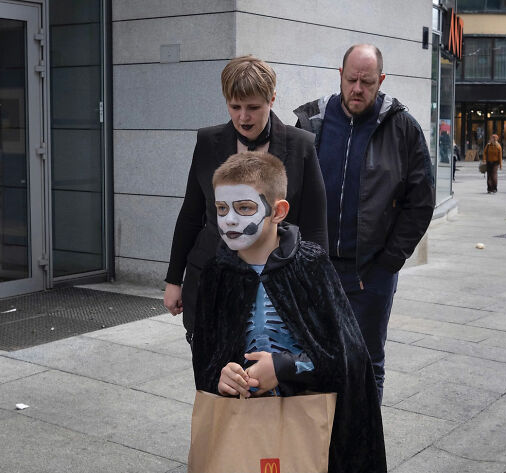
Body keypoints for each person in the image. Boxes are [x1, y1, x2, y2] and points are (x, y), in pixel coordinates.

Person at [193, 151, 387, 473]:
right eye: (221, 209)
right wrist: (221, 377)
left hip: (310, 427)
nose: (229, 219)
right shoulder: (217, 275)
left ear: (278, 211)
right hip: (240, 428)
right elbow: (206, 358)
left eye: (244, 208)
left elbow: (348, 358)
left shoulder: (310, 266)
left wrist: (285, 367)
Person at [293, 44, 435, 404]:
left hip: (371, 274)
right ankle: (324, 444)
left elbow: (421, 202)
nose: (357, 89)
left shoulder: (402, 127)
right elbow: (289, 193)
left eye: (367, 82)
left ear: (381, 80)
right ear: (340, 75)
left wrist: (389, 262)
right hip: (315, 270)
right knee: (311, 359)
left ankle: (364, 450)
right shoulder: (313, 122)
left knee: (368, 362)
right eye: (352, 79)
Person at [163, 55, 328, 344]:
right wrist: (173, 280)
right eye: (234, 106)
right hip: (211, 282)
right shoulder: (206, 141)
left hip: (278, 287)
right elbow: (191, 215)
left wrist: (317, 290)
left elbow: (316, 226)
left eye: (253, 107)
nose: (243, 117)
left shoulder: (301, 145)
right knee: (213, 378)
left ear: (272, 99)